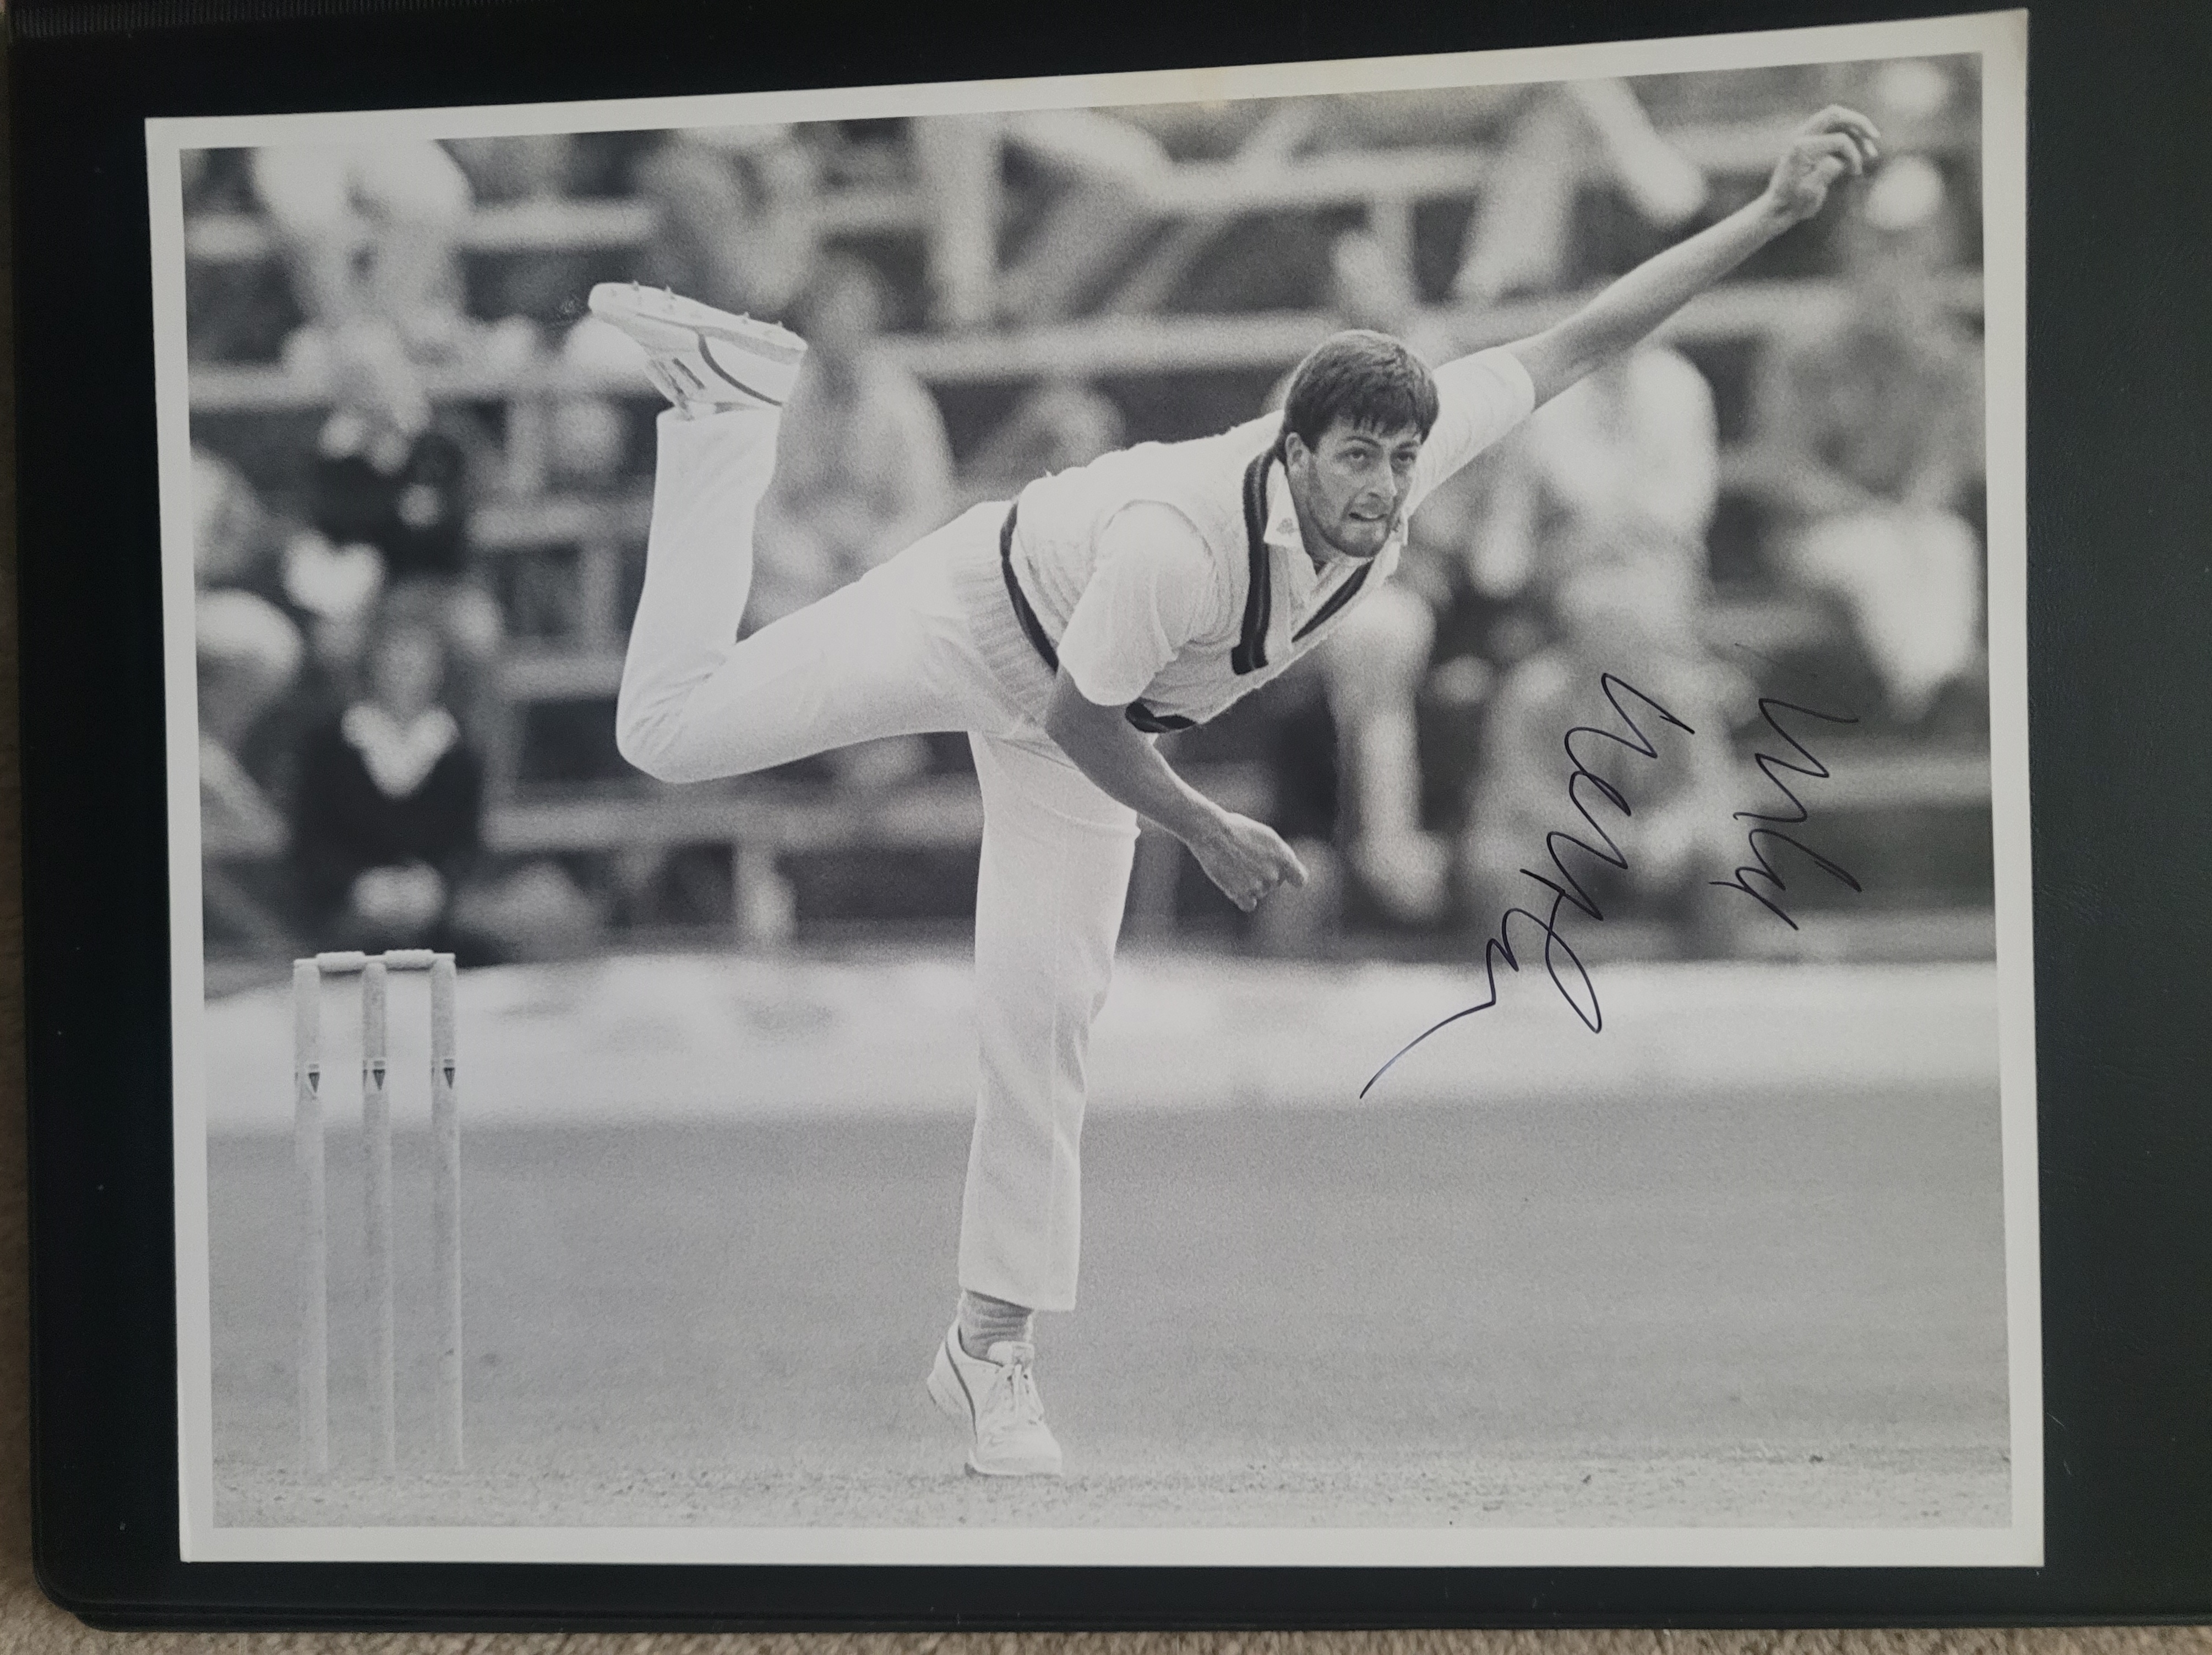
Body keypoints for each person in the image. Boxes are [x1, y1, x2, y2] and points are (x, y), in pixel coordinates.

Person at [589, 105, 1882, 1479]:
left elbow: (1583, 338)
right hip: (981, 622)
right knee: (668, 732)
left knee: (1046, 1018)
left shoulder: (1409, 460)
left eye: (1400, 459)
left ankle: (988, 1353)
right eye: (1357, 459)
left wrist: (1773, 212)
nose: (1385, 488)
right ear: (1293, 448)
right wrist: (1201, 824)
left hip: (1094, 718)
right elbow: (1082, 712)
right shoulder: (1181, 543)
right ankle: (729, 409)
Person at [1736, 151, 1986, 733]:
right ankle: (1931, 690)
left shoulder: (1947, 353)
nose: (1891, 269)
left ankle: (1932, 685)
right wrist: (1864, 508)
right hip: (1818, 532)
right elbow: (1779, 469)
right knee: (1874, 555)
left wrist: (1917, 502)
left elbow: (1950, 465)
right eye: (1878, 249)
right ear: (1852, 253)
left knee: (1947, 544)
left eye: (1905, 252)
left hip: (1908, 523)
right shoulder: (1802, 344)